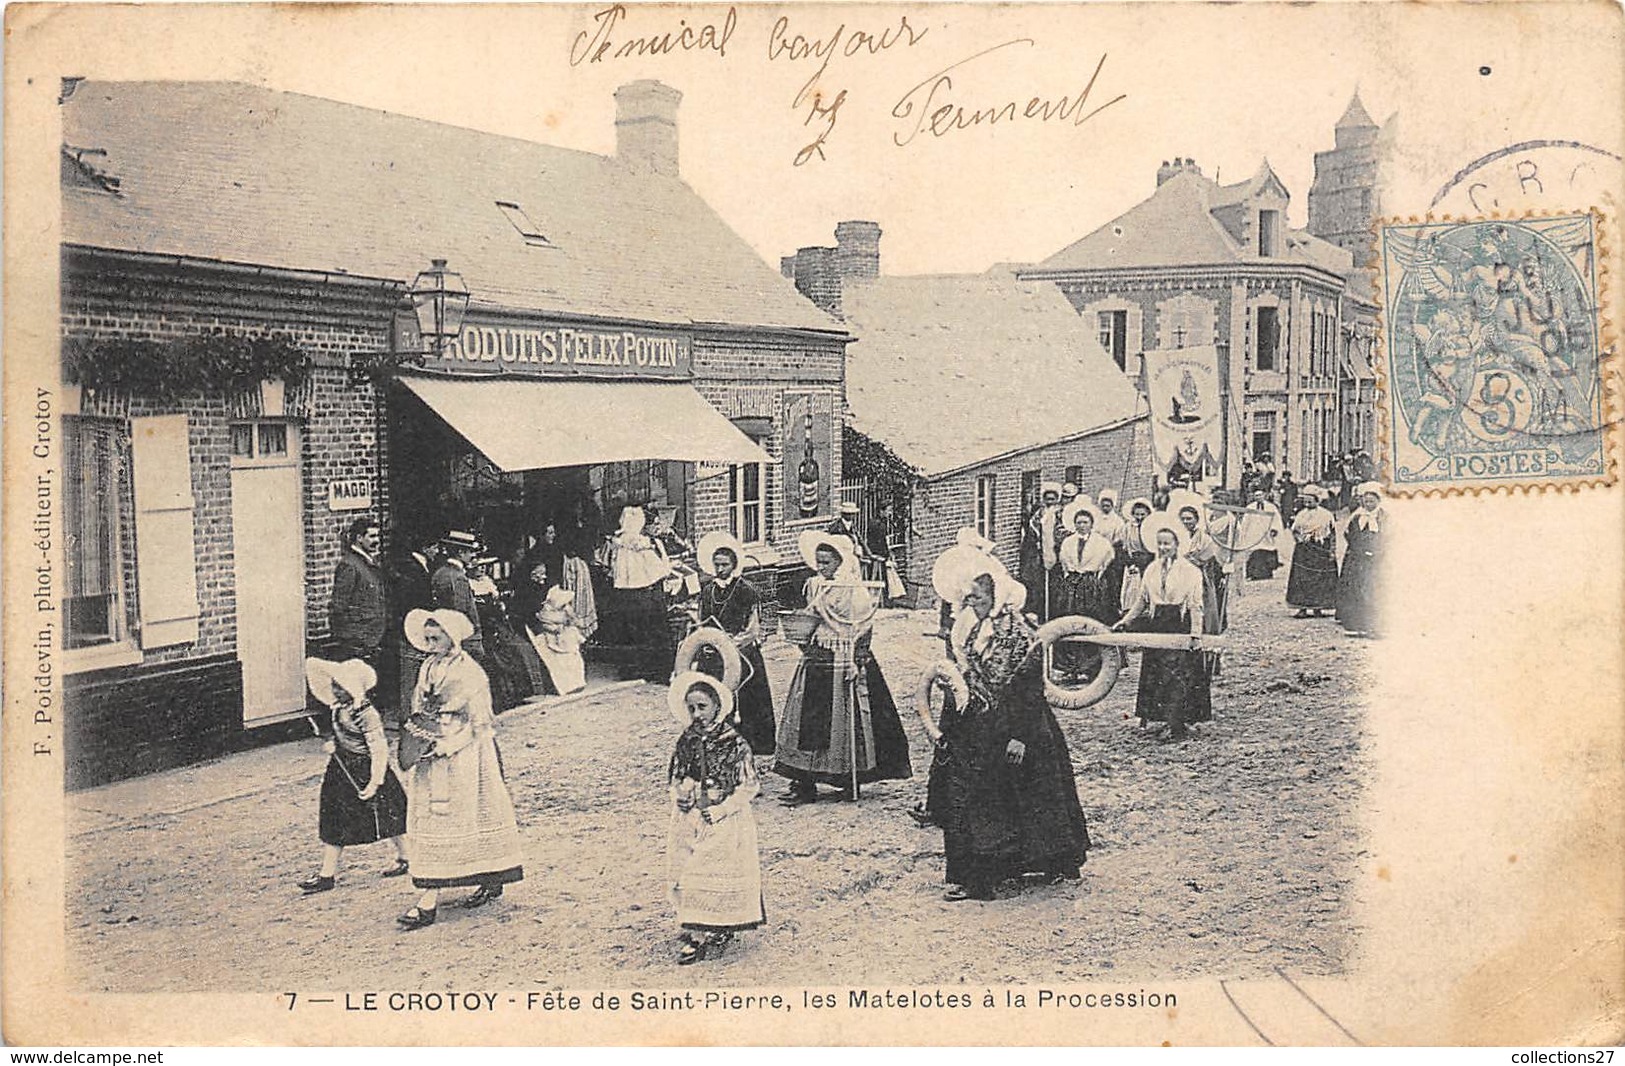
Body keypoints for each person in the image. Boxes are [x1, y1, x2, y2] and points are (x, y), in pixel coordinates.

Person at [936, 560, 1091, 900]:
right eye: (969, 598)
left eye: (977, 598)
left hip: (1020, 725)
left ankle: (1050, 862)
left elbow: (1029, 689)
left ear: (997, 598)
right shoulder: (974, 630)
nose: (970, 604)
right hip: (980, 726)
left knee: (1031, 796)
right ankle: (975, 876)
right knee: (973, 798)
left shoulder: (1021, 636)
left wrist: (1020, 736)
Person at [396, 608, 525, 929]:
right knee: (432, 820)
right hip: (432, 751)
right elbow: (419, 706)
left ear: (451, 636)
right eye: (426, 639)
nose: (430, 644)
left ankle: (435, 899)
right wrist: (420, 738)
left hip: (465, 755)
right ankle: (430, 892)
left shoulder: (470, 673)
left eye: (436, 638)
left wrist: (449, 744)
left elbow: (481, 722)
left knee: (470, 813)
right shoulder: (427, 666)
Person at [774, 532, 912, 805]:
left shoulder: (855, 591)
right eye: (818, 561)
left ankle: (850, 779)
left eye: (826, 562)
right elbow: (811, 617)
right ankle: (804, 782)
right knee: (809, 718)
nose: (821, 567)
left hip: (845, 658)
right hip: (819, 655)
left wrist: (858, 661)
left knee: (850, 722)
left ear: (840, 561)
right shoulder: (815, 586)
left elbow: (863, 627)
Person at [666, 671, 766, 964]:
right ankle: (696, 929)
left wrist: (721, 810)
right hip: (690, 817)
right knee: (685, 870)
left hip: (724, 820)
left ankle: (706, 933)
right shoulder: (686, 740)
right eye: (691, 708)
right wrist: (680, 795)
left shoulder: (735, 744)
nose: (697, 714)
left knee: (708, 871)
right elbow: (676, 776)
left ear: (717, 706)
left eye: (702, 707)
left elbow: (749, 786)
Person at [297, 657, 410, 893]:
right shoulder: (339, 708)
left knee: (391, 817)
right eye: (334, 685)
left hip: (365, 769)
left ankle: (407, 857)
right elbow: (341, 736)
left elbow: (379, 748)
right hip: (341, 770)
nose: (335, 690)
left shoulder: (366, 714)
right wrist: (332, 744)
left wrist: (375, 781)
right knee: (334, 819)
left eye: (341, 686)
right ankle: (326, 875)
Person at [1113, 514, 1211, 741]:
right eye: (1159, 543)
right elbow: (1142, 600)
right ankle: (1156, 716)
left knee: (1177, 674)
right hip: (1158, 623)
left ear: (1177, 544)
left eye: (1167, 543)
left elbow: (1196, 605)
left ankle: (1177, 722)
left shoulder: (1190, 571)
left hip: (1179, 623)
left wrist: (1196, 634)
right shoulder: (1152, 569)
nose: (1163, 547)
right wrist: (1125, 620)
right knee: (1156, 673)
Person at [695, 531, 776, 756]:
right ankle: (716, 738)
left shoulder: (745, 590)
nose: (720, 569)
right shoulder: (708, 590)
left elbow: (753, 627)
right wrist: (709, 640)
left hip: (741, 651)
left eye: (724, 564)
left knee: (748, 698)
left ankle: (752, 743)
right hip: (714, 652)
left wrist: (733, 643)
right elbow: (701, 620)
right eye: (716, 564)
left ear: (734, 564)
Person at [606, 505, 674, 681]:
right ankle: (656, 670)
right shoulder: (642, 544)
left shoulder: (619, 543)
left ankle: (634, 670)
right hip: (646, 594)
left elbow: (615, 570)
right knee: (652, 631)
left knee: (633, 632)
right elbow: (660, 570)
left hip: (627, 593)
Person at [1054, 498, 1116, 682]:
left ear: (1091, 523)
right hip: (1072, 585)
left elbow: (1106, 561)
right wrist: (1071, 576)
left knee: (1091, 621)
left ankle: (1090, 666)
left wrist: (1094, 577)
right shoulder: (1068, 542)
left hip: (1091, 585)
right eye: (1078, 522)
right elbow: (1064, 562)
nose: (1082, 526)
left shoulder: (1101, 543)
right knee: (1070, 621)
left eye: (1085, 522)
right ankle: (1070, 666)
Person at [389, 532, 439, 720]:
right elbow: (410, 603)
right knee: (411, 677)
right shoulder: (412, 570)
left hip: (416, 629)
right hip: (412, 631)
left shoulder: (419, 567)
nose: (437, 551)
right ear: (425, 548)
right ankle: (409, 717)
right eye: (434, 547)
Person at [328, 518, 389, 669]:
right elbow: (338, 606)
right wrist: (352, 638)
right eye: (372, 536)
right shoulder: (350, 565)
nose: (377, 541)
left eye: (378, 536)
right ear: (359, 538)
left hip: (372, 639)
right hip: (358, 643)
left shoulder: (369, 562)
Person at [1337, 482, 1387, 637]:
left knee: (1374, 590)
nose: (1368, 504)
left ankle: (1377, 627)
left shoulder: (1384, 517)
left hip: (1377, 559)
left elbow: (1388, 537)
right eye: (1366, 502)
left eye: (1372, 501)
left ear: (1378, 501)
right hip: (1358, 557)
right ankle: (1358, 626)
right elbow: (1349, 534)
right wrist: (1358, 549)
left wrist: (1376, 551)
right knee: (1357, 590)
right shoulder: (1358, 517)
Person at [1286, 485, 1339, 618]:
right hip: (1304, 550)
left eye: (1310, 501)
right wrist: (1299, 539)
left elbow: (1332, 534)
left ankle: (1318, 608)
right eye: (1305, 501)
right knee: (1302, 578)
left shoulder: (1326, 515)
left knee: (1320, 578)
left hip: (1320, 549)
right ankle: (1302, 608)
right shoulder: (1301, 514)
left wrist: (1332, 551)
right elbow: (1295, 530)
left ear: (1317, 500)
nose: (1308, 503)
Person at [431, 530, 485, 659]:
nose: (473, 555)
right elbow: (460, 613)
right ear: (460, 553)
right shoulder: (458, 577)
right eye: (470, 551)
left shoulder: (440, 572)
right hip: (466, 640)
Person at [527, 586, 587, 695]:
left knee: (574, 658)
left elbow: (575, 621)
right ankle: (566, 686)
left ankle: (576, 682)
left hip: (565, 638)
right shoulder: (546, 614)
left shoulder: (566, 612)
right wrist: (560, 627)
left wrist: (570, 622)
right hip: (553, 639)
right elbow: (549, 626)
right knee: (560, 663)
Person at [1019, 482, 1062, 619]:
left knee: (1054, 584)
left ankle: (1053, 613)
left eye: (1052, 499)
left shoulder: (1060, 514)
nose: (1049, 502)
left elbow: (1061, 532)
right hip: (1038, 553)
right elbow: (1032, 530)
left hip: (1054, 553)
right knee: (1038, 584)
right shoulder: (1038, 514)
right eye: (1047, 499)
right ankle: (1040, 612)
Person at [1242, 489, 1286, 580]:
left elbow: (1276, 519)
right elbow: (1245, 521)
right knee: (1255, 553)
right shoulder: (1250, 507)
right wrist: (1243, 533)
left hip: (1266, 533)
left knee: (1266, 552)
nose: (1259, 497)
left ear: (1264, 496)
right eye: (1256, 496)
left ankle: (1266, 574)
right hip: (1254, 533)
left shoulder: (1271, 507)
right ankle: (1253, 574)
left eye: (1260, 495)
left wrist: (1274, 529)